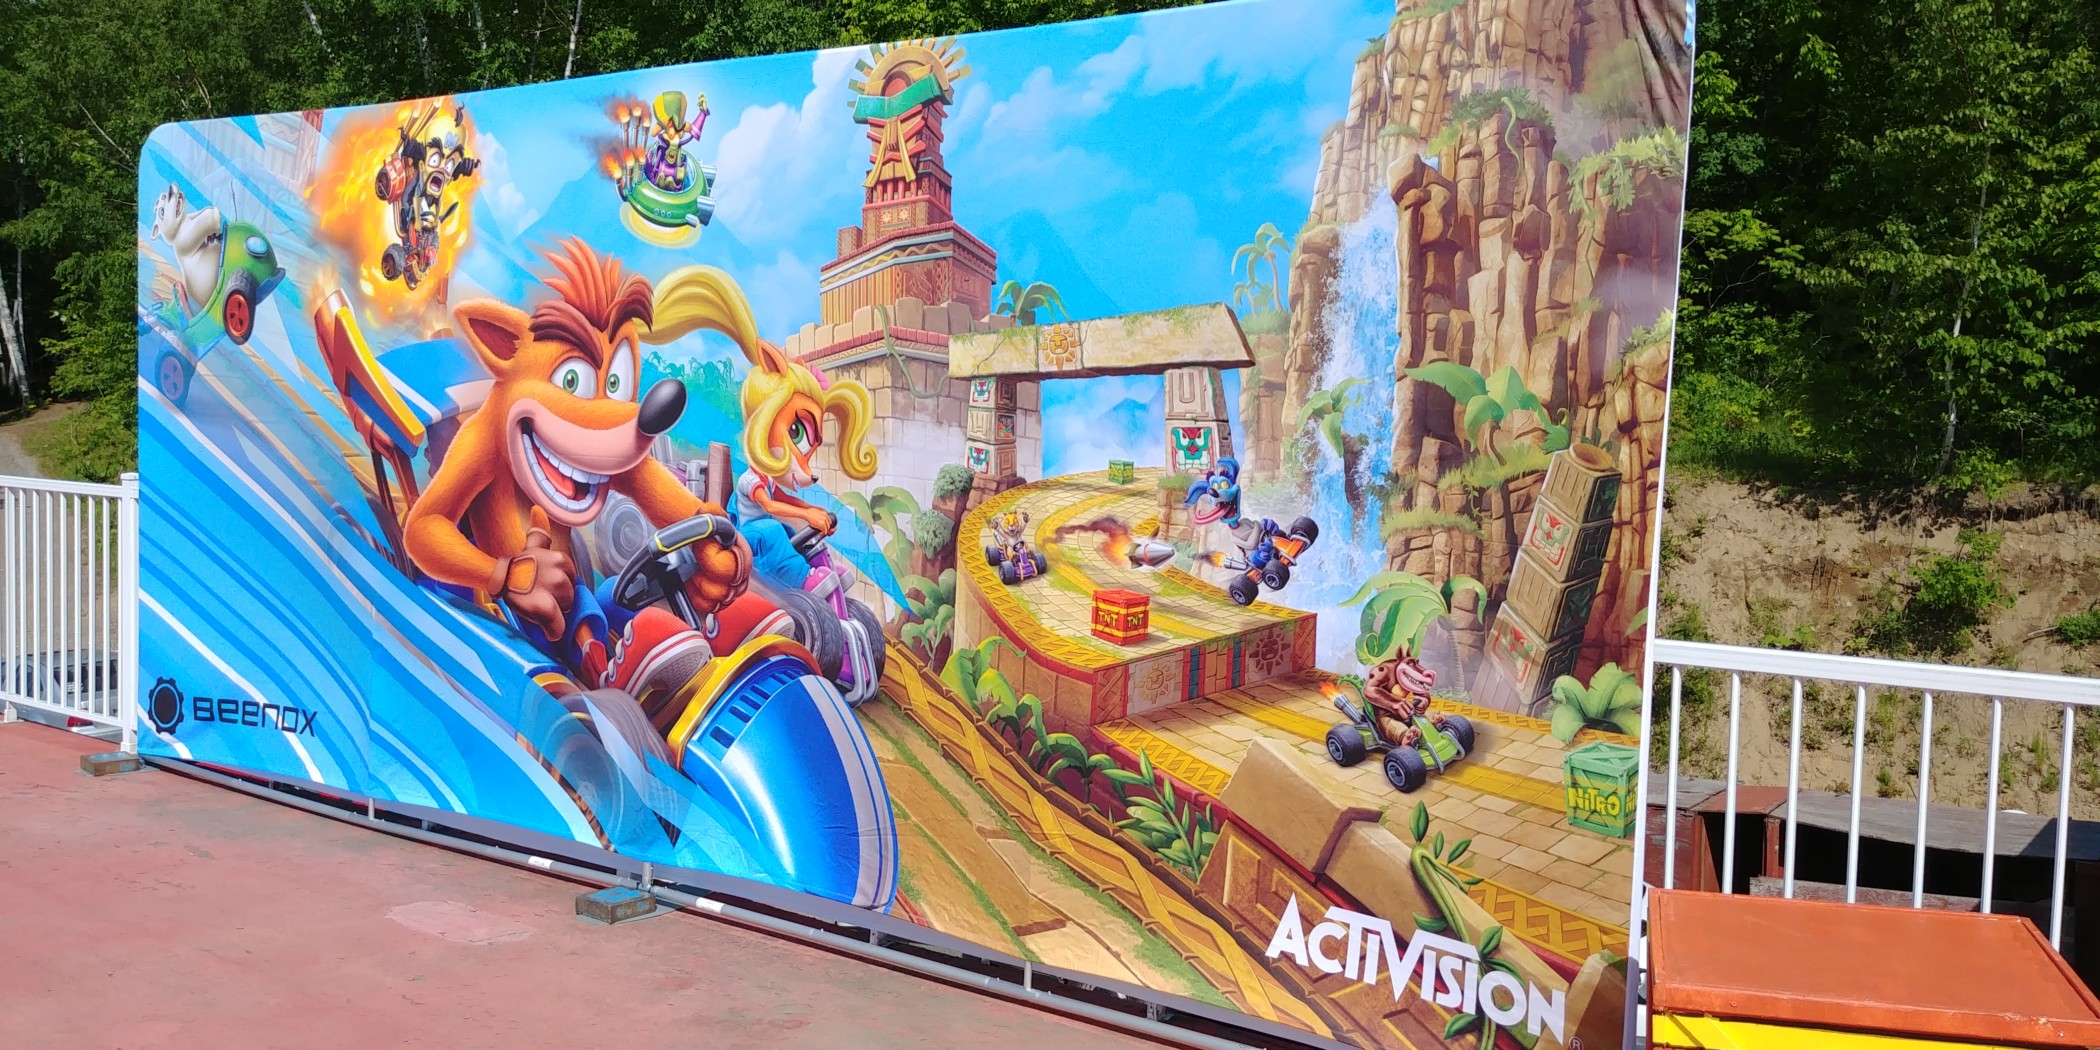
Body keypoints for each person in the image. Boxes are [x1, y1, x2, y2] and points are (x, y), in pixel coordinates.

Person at [1363, 650, 1444, 747]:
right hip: (1385, 715)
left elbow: (1421, 689)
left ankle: (1433, 724)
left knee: (1425, 716)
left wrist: (1424, 700)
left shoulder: (1406, 676)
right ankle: (1407, 738)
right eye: (1411, 664)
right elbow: (1369, 689)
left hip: (1407, 712)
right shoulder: (1384, 670)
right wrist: (1393, 702)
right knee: (1396, 727)